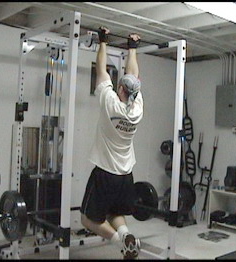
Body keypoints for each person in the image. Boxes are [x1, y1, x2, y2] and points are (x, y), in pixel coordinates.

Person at [80, 26, 143, 259]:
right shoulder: (137, 110)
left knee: (87, 219)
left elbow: (101, 71)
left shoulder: (110, 104)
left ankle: (120, 242)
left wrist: (103, 42)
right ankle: (126, 234)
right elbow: (133, 76)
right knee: (115, 213)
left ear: (119, 89)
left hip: (106, 173)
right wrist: (132, 47)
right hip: (125, 175)